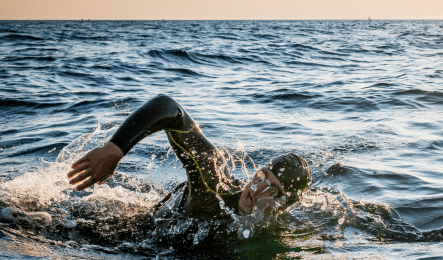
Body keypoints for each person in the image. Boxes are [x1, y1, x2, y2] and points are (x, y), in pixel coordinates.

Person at [66, 94, 312, 223]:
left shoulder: (275, 228)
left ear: (285, 206)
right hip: (137, 235)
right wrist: (115, 149)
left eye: (273, 191)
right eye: (261, 175)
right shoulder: (213, 185)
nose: (256, 189)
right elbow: (169, 107)